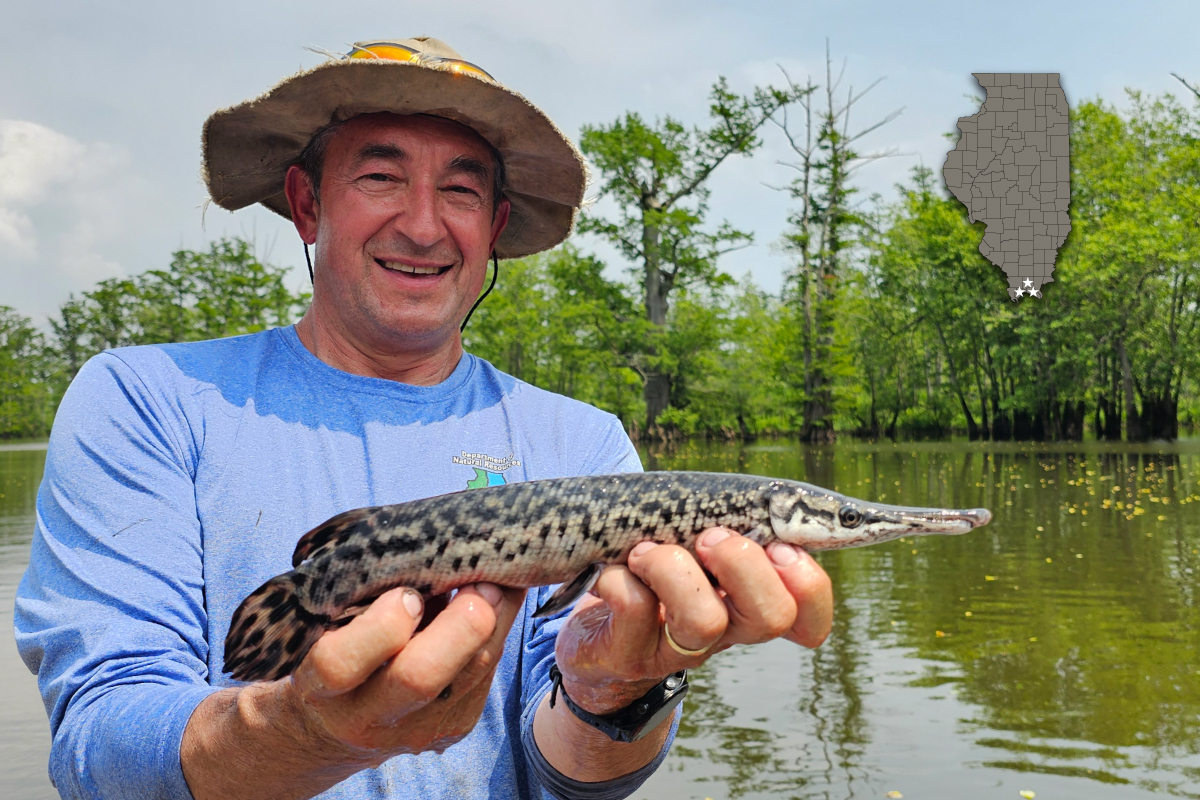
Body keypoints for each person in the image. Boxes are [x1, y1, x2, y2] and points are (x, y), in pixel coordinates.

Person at [15, 37, 833, 800]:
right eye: (380, 177)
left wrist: (612, 689)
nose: (422, 223)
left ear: (494, 229)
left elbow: (568, 773)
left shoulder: (584, 442)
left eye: (461, 191)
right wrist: (301, 732)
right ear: (306, 204)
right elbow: (97, 743)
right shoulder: (144, 397)